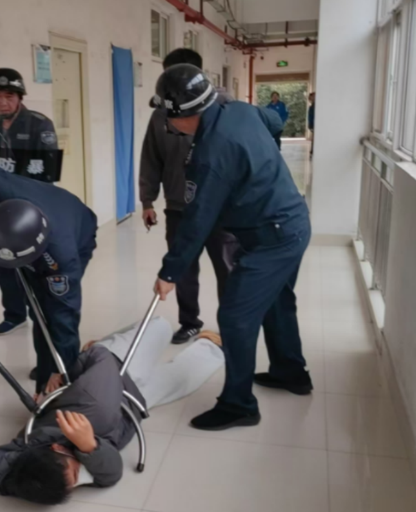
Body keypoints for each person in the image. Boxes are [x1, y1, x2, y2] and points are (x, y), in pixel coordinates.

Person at [152, 64, 312, 432]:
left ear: (180, 115)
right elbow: (275, 121)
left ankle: (239, 405)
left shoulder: (211, 153)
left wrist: (170, 272)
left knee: (235, 317)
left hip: (273, 239)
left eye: (166, 116)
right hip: (292, 222)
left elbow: (196, 220)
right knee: (277, 302)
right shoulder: (240, 110)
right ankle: (291, 372)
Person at [0, 317, 224, 505]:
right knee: (184, 382)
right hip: (129, 407)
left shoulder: (95, 409)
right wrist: (89, 447)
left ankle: (95, 350)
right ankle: (211, 344)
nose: (80, 480)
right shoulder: (31, 467)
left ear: (58, 448)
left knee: (161, 327)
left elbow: (102, 358)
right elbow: (110, 475)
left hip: (116, 366)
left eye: (75, 474)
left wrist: (70, 372)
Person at [0, 149, 97, 393]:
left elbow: (65, 315)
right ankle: (46, 369)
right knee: (38, 309)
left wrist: (60, 370)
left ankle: (60, 377)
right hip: (48, 208)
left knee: (52, 311)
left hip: (78, 226)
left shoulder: (60, 260)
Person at [141, 48, 239, 345]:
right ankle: (189, 322)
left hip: (221, 210)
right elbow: (151, 158)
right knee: (182, 269)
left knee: (228, 269)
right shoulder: (160, 115)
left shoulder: (225, 110)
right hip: (179, 206)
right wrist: (147, 200)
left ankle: (232, 327)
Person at [0, 68, 59, 337]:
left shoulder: (39, 124)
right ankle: (13, 315)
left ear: (19, 97)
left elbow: (48, 171)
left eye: (9, 96)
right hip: (1, 205)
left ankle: (41, 312)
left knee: (33, 263)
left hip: (32, 206)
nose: (3, 102)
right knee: (4, 261)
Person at [308, 92, 316, 157]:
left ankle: (313, 150)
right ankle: (312, 150)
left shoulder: (316, 107)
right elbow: (310, 117)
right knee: (313, 138)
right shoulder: (311, 107)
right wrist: (310, 125)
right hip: (313, 124)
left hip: (317, 124)